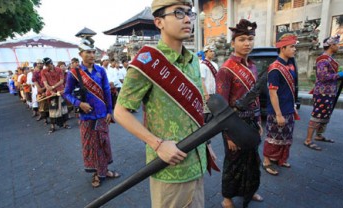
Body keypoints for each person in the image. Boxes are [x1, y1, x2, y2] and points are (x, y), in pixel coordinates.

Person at [114, 0, 207, 207]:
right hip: (170, 168)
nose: (187, 20)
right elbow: (120, 112)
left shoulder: (193, 60)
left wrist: (206, 146)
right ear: (159, 22)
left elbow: (194, 111)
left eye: (189, 14)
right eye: (179, 13)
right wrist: (156, 143)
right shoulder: (147, 61)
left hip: (198, 162)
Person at [216, 19, 263, 208]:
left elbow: (256, 96)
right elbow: (221, 106)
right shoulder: (226, 70)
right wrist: (228, 135)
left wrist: (259, 121)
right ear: (233, 43)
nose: (247, 43)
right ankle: (227, 197)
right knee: (233, 162)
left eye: (250, 39)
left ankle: (249, 191)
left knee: (252, 160)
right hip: (234, 125)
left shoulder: (252, 66)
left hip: (251, 122)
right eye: (242, 39)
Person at [64, 37, 119, 188]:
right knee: (91, 146)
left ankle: (104, 170)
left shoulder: (101, 70)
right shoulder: (74, 73)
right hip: (86, 117)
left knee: (104, 144)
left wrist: (109, 110)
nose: (91, 55)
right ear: (81, 54)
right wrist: (79, 103)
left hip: (102, 115)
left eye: (93, 52)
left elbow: (107, 91)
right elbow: (66, 93)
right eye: (88, 52)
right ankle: (97, 173)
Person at [303, 35, 343, 151]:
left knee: (325, 115)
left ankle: (319, 135)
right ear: (331, 46)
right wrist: (341, 74)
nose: (338, 46)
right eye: (337, 44)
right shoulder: (322, 59)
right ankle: (308, 140)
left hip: (330, 92)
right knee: (317, 115)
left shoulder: (330, 59)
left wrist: (342, 76)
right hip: (322, 92)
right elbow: (323, 77)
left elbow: (332, 76)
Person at [262, 33, 299, 176]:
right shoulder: (275, 68)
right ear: (283, 48)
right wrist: (278, 114)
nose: (294, 49)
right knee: (273, 137)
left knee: (287, 136)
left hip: (289, 108)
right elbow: (272, 93)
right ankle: (266, 161)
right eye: (292, 47)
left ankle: (281, 159)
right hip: (278, 110)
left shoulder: (290, 65)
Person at [41, 57, 70, 133]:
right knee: (52, 109)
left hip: (60, 90)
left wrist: (53, 87)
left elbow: (61, 81)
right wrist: (51, 91)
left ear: (51, 63)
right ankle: (52, 126)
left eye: (48, 64)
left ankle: (65, 124)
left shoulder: (59, 70)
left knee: (63, 108)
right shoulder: (43, 71)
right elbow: (45, 83)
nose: (47, 66)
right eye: (45, 65)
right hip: (50, 93)